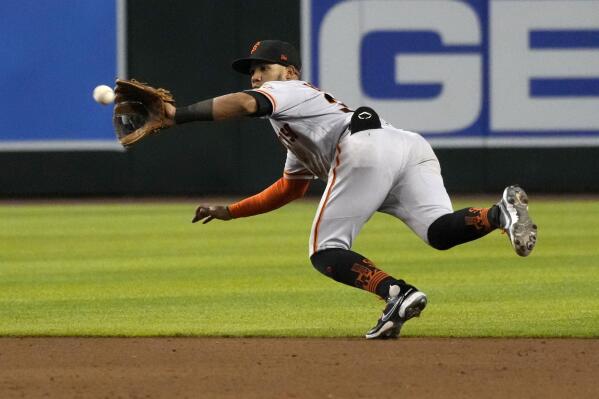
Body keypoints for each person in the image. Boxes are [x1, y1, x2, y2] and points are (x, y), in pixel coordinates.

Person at [163, 40, 537, 339]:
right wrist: (231, 211)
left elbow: (245, 104)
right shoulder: (298, 125)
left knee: (325, 251)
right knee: (439, 232)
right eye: (253, 70)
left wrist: (177, 115)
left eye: (264, 67)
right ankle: (499, 214)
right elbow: (290, 188)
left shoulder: (289, 90)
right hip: (405, 146)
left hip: (364, 146)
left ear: (290, 71)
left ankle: (397, 293)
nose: (257, 76)